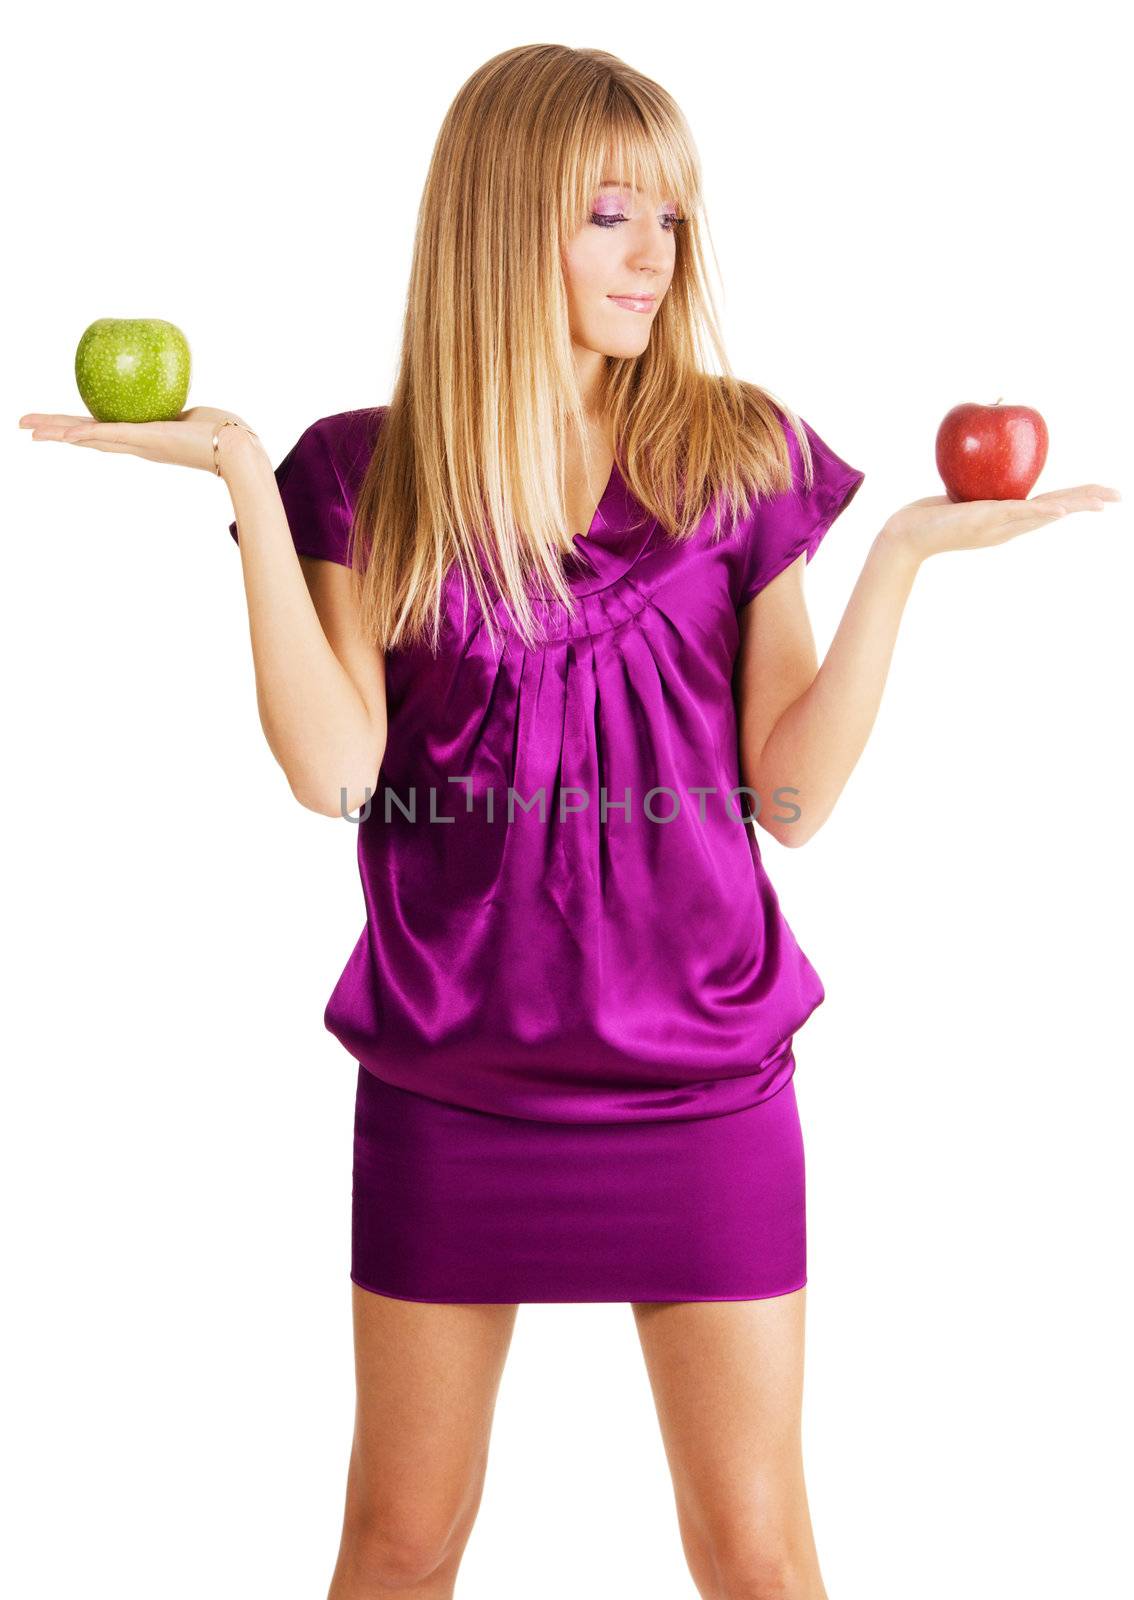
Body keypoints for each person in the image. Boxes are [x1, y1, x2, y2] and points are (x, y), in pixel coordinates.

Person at [19, 41, 1120, 1600]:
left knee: (757, 1553)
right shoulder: (359, 474)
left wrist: (900, 564)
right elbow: (337, 773)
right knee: (399, 1547)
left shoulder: (736, 451)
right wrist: (245, 489)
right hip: (450, 1081)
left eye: (670, 220)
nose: (655, 257)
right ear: (500, 220)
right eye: (611, 214)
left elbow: (789, 799)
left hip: (702, 1082)